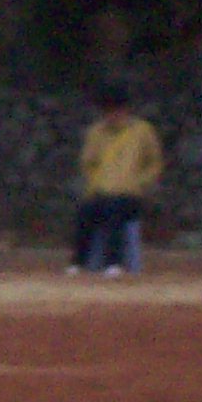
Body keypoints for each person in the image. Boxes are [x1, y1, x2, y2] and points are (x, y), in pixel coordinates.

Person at [72, 86, 164, 278]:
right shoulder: (96, 132)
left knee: (113, 211)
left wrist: (140, 182)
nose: (111, 115)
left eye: (115, 110)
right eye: (107, 111)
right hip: (101, 192)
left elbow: (154, 162)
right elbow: (88, 163)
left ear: (125, 110)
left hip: (131, 194)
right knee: (84, 211)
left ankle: (114, 263)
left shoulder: (142, 131)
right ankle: (78, 262)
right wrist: (96, 184)